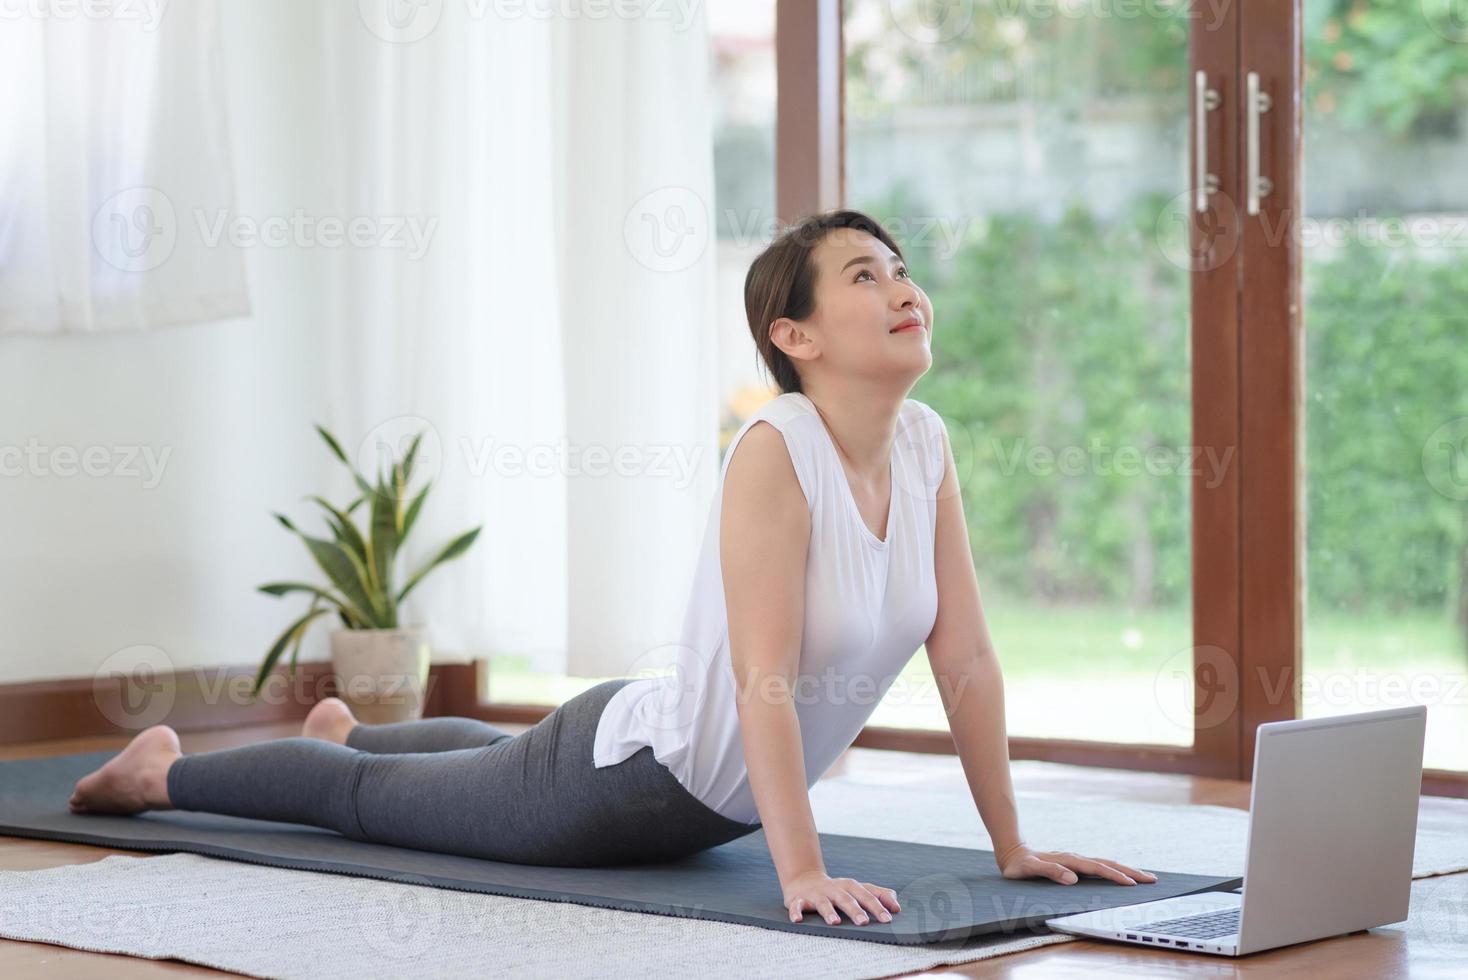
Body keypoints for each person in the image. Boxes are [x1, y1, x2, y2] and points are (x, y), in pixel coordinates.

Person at [68, 208, 1156, 929]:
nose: (902, 285)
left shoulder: (924, 444)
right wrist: (801, 870)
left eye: (903, 268)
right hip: (618, 786)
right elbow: (762, 678)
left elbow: (963, 653)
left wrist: (1010, 842)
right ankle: (160, 771)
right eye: (864, 274)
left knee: (475, 759)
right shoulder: (778, 448)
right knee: (371, 801)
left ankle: (349, 726)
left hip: (677, 774)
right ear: (797, 335)